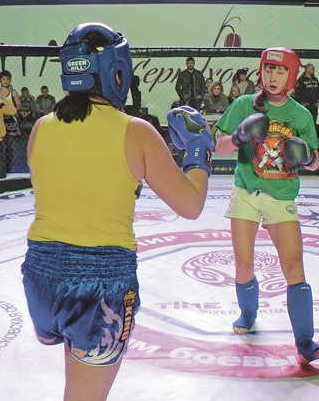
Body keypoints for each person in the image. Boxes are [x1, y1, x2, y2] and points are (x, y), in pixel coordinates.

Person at [21, 23, 212, 401]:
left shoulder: (41, 127)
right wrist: (198, 149)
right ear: (118, 73)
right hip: (99, 284)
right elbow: (190, 205)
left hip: (39, 277)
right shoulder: (135, 131)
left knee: (76, 381)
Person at [214, 47, 319, 366]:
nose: (273, 76)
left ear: (291, 76)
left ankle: (305, 341)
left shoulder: (301, 115)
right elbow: (219, 148)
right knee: (243, 265)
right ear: (261, 71)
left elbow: (316, 162)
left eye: (280, 71)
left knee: (294, 267)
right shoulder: (242, 104)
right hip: (246, 192)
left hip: (281, 195)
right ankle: (248, 314)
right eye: (268, 69)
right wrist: (239, 137)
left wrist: (307, 157)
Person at [0, 70, 22, 171]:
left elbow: (19, 106)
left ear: (10, 80)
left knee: (9, 144)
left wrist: (11, 110)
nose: (6, 81)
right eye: (3, 79)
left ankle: (8, 166)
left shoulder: (14, 92)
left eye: (7, 79)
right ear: (0, 80)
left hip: (10, 120)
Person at [294, 63, 319, 137]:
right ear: (307, 69)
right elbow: (297, 93)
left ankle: (311, 137)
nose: (314, 70)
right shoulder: (301, 80)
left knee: (313, 122)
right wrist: (301, 102)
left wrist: (318, 101)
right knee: (305, 122)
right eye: (312, 69)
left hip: (314, 106)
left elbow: (318, 91)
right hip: (305, 106)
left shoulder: (315, 80)